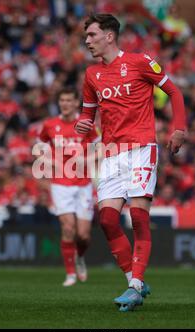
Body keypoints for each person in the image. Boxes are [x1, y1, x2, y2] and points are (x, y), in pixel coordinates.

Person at [75, 14, 186, 311]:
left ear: (109, 36)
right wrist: (83, 125)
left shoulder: (140, 62)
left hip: (141, 148)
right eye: (86, 36)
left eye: (92, 35)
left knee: (138, 217)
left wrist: (179, 128)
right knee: (108, 220)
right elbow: (86, 115)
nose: (87, 41)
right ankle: (133, 281)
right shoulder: (91, 75)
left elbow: (174, 92)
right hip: (111, 153)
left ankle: (135, 285)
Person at [38, 87, 99, 287]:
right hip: (60, 184)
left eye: (68, 100)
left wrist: (86, 159)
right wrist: (52, 163)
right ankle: (70, 274)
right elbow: (40, 149)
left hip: (83, 184)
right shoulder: (49, 125)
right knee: (68, 228)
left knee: (83, 235)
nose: (64, 103)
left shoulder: (86, 125)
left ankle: (80, 257)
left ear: (75, 103)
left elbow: (101, 148)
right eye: (62, 100)